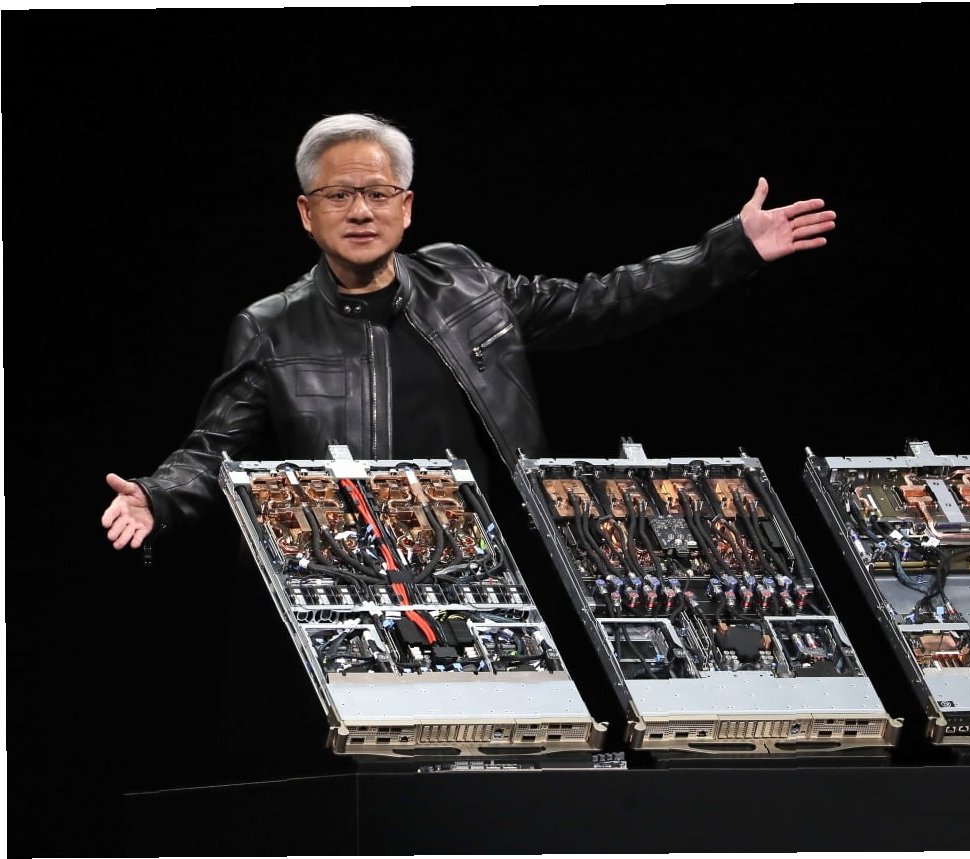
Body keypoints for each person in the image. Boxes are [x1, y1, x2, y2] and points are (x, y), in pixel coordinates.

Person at [102, 112, 836, 551]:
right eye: (339, 194)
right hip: (375, 570)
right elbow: (216, 447)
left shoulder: (465, 279)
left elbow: (600, 302)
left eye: (378, 192)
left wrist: (727, 250)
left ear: (406, 206)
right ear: (306, 212)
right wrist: (156, 496)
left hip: (510, 555)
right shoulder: (271, 326)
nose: (361, 210)